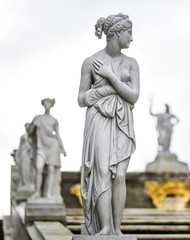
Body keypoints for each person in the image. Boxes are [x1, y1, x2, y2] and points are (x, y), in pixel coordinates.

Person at [78, 13, 139, 235]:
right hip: (99, 119)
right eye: (129, 33)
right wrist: (109, 89)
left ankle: (117, 229)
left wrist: (111, 78)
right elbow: (81, 99)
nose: (132, 38)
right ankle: (104, 227)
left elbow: (134, 96)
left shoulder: (131, 63)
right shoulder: (90, 62)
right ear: (116, 33)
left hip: (123, 119)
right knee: (102, 171)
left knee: (120, 174)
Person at [29, 98, 66, 200]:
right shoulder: (38, 118)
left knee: (51, 169)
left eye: (49, 102)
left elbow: (58, 135)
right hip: (41, 146)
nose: (47, 104)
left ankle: (48, 194)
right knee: (39, 168)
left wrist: (62, 148)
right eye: (45, 102)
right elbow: (30, 132)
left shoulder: (54, 121)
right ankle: (37, 192)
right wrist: (33, 124)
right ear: (43, 104)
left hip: (53, 145)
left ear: (51, 105)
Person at [15, 123, 35, 191]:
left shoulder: (33, 137)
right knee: (23, 169)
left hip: (30, 154)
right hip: (23, 153)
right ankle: (24, 183)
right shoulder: (23, 136)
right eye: (26, 126)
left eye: (28, 126)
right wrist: (17, 156)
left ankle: (29, 183)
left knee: (30, 169)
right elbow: (20, 147)